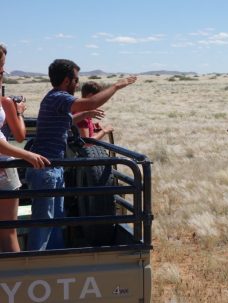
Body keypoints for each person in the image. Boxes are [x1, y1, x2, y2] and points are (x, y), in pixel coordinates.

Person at [26, 59, 137, 251]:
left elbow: (67, 120)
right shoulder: (59, 97)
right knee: (44, 222)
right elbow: (91, 101)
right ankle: (35, 263)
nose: (77, 84)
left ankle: (54, 257)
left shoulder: (53, 98)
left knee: (56, 220)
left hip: (53, 169)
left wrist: (86, 115)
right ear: (67, 80)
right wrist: (117, 86)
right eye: (75, 80)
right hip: (46, 170)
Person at [0, 44, 50, 252]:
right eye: (0, 66)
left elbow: (18, 135)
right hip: (3, 169)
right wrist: (27, 154)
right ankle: (17, 279)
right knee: (8, 231)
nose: (2, 72)